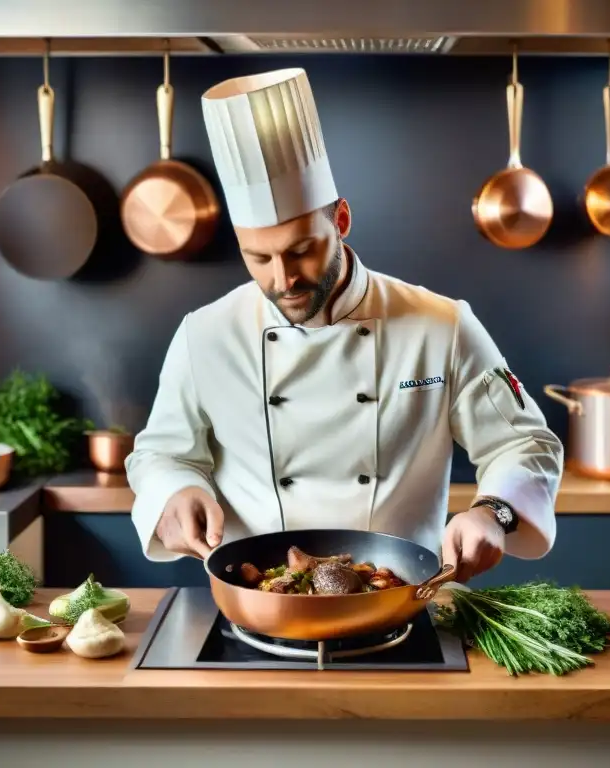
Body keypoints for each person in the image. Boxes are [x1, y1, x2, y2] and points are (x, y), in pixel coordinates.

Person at [127, 67, 564, 583]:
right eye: (257, 258)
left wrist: (495, 512)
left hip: (402, 598)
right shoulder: (204, 335)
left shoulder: (441, 326)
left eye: (301, 251)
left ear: (340, 221)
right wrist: (174, 491)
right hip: (256, 599)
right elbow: (159, 453)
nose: (283, 278)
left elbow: (526, 444)